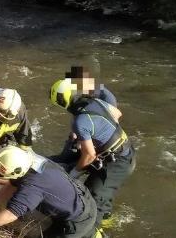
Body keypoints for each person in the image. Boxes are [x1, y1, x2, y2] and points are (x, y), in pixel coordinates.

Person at [48, 67, 136, 234]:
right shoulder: (97, 101)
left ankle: (94, 231)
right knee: (101, 192)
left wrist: (75, 173)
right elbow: (117, 113)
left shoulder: (81, 119)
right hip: (121, 153)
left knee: (93, 199)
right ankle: (108, 221)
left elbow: (89, 155)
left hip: (116, 162)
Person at [0, 146, 99, 238]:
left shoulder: (32, 185)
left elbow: (11, 214)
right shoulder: (31, 160)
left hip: (77, 219)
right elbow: (11, 184)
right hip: (82, 198)